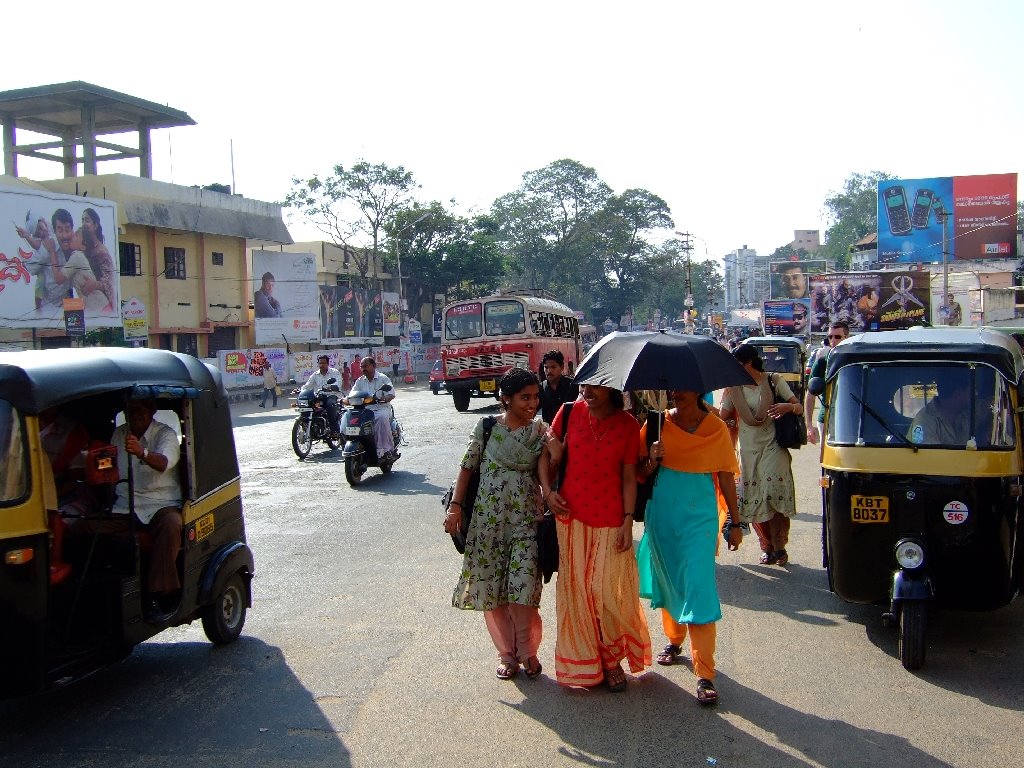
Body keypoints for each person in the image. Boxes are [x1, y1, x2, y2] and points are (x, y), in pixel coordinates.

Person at [635, 389, 741, 705]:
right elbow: (638, 473)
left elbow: (725, 476)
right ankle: (674, 640)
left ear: (698, 390)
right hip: (663, 516)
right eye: (672, 389)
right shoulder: (655, 424)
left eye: (683, 387)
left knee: (698, 585)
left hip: (701, 519)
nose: (675, 394)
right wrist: (652, 459)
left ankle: (705, 672)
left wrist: (735, 523)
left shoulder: (716, 428)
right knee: (670, 582)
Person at [446, 368, 553, 680]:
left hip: (526, 522)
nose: (532, 403)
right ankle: (507, 655)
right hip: (488, 524)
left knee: (523, 588)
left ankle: (527, 651)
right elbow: (467, 468)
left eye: (535, 397)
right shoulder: (487, 428)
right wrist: (455, 507)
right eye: (525, 397)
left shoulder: (540, 433)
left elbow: (548, 475)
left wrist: (556, 454)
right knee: (494, 591)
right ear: (505, 399)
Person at [545, 384, 652, 691]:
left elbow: (630, 476)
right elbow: (546, 457)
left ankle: (611, 655)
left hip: (610, 518)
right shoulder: (568, 413)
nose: (588, 391)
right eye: (584, 385)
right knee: (577, 593)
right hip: (570, 517)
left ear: (611, 388)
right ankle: (597, 662)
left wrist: (628, 521)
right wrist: (547, 491)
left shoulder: (628, 425)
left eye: (596, 386)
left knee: (602, 591)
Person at [720, 345, 800, 566]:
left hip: (774, 446)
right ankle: (767, 547)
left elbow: (799, 407)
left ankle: (780, 546)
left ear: (747, 363)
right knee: (757, 500)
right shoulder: (733, 388)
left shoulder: (773, 380)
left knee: (773, 496)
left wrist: (787, 407)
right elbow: (722, 416)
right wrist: (702, 406)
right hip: (748, 451)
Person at [111, 400, 184, 622]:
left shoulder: (165, 434)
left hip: (160, 503)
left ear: (151, 411)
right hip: (125, 505)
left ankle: (156, 595)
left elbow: (163, 463)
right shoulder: (119, 434)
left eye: (140, 409)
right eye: (131, 410)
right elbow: (110, 467)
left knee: (171, 525)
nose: (136, 415)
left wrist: (141, 452)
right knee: (85, 526)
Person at [804, 320, 850, 444]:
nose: (833, 340)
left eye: (837, 336)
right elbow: (810, 394)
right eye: (830, 336)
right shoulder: (822, 362)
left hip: (851, 418)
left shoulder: (855, 363)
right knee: (827, 459)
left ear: (847, 337)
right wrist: (809, 425)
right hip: (826, 419)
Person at [44, 209, 97, 308]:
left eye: (68, 230)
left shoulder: (77, 255)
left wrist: (96, 284)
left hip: (92, 307)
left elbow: (58, 278)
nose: (65, 235)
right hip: (54, 307)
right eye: (60, 230)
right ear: (54, 231)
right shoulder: (47, 247)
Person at [352, 357, 396, 458]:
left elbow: (391, 394)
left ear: (373, 366)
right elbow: (352, 393)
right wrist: (344, 400)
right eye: (361, 367)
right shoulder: (359, 381)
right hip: (365, 410)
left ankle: (384, 449)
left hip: (381, 408)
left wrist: (386, 397)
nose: (363, 369)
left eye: (365, 366)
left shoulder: (383, 378)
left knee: (380, 418)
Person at [907, 381, 971, 445]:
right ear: (958, 394)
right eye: (970, 392)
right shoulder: (924, 420)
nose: (975, 394)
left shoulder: (967, 412)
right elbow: (930, 453)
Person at [80, 208, 117, 312]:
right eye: (82, 220)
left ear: (95, 226)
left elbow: (110, 282)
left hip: (102, 305)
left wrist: (95, 284)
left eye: (87, 220)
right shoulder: (84, 248)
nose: (83, 224)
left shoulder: (102, 251)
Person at [303, 355, 343, 437]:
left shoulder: (334, 372)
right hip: (320, 396)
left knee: (329, 405)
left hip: (332, 395)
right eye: (320, 363)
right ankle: (311, 427)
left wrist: (331, 387)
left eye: (324, 363)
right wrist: (300, 390)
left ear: (328, 363)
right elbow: (308, 385)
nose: (322, 365)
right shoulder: (315, 375)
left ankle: (334, 430)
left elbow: (338, 384)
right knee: (308, 405)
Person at [539, 350, 579, 424]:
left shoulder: (573, 386)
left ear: (562, 367)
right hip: (550, 433)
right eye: (546, 367)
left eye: (553, 367)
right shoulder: (541, 388)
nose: (549, 371)